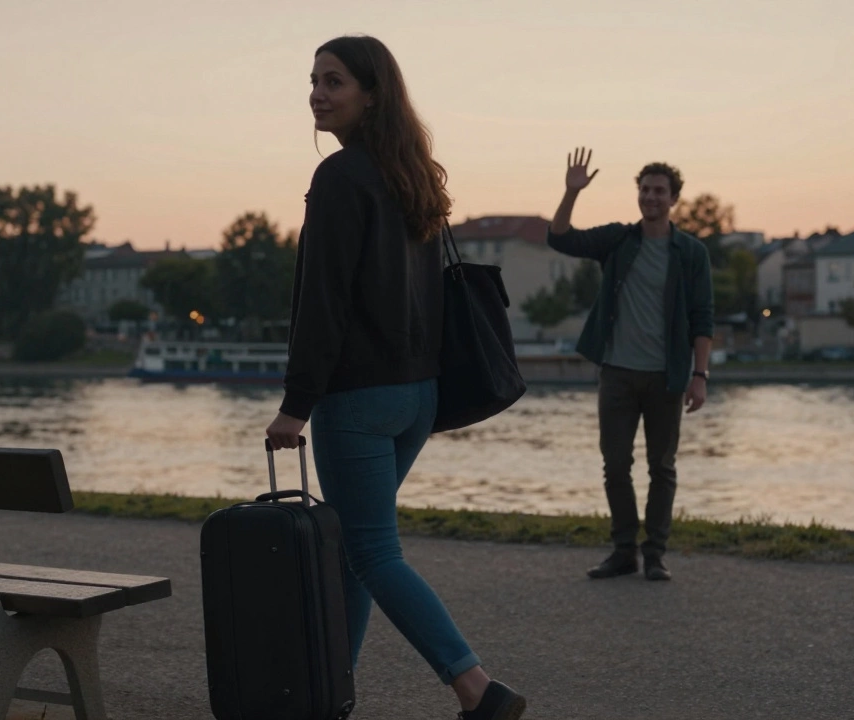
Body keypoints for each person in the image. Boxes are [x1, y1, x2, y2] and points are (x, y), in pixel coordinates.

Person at [264, 35, 527, 720]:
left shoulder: (342, 177)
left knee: (375, 553)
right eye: (314, 81)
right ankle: (331, 693)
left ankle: (478, 690)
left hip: (359, 398)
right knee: (356, 547)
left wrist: (297, 405)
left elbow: (323, 300)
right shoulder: (414, 178)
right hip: (418, 395)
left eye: (335, 81)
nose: (318, 93)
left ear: (371, 93)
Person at [545, 148, 715, 582]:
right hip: (617, 373)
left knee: (663, 466)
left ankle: (655, 553)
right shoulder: (619, 240)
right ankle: (624, 551)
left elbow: (703, 318)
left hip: (667, 377)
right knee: (616, 464)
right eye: (644, 190)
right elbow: (560, 238)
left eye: (660, 191)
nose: (651, 197)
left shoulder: (690, 253)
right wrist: (571, 192)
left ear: (674, 198)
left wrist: (700, 376)